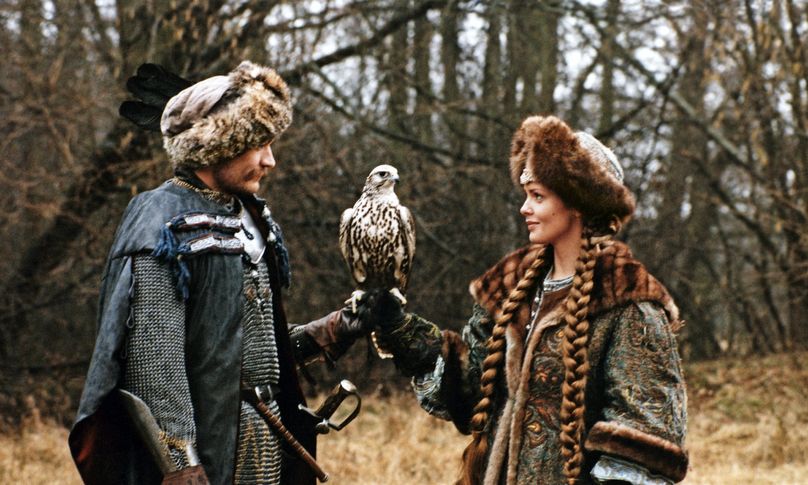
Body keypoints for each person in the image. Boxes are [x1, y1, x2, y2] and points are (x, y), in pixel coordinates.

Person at [69, 61, 368, 485]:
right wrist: (181, 464)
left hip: (263, 437)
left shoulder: (249, 219)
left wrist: (333, 329)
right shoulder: (162, 223)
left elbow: (241, 355)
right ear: (218, 145)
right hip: (207, 452)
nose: (270, 160)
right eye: (259, 145)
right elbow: (155, 362)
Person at [366, 116, 688, 484]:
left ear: (578, 203)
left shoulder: (628, 302)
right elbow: (469, 396)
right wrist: (405, 334)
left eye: (538, 196)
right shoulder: (510, 288)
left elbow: (644, 442)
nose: (524, 208)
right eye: (526, 195)